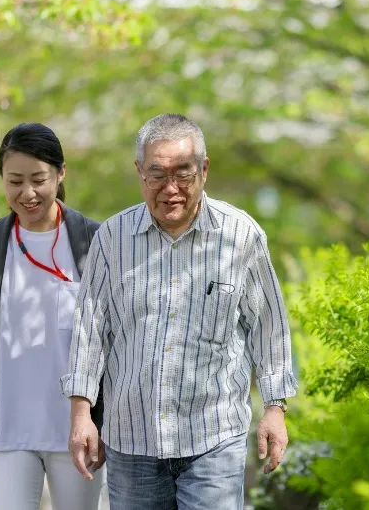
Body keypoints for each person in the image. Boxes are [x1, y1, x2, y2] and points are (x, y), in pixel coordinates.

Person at [60, 113, 298, 510]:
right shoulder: (111, 240)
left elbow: (269, 327)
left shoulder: (240, 237)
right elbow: (90, 330)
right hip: (133, 441)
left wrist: (275, 408)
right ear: (139, 173)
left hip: (214, 439)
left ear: (204, 170)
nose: (170, 189)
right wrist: (81, 414)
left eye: (183, 174)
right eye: (157, 174)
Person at [0, 123, 106, 510]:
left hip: (77, 431)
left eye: (38, 179)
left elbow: (112, 341)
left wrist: (108, 422)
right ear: (1, 179)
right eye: (14, 181)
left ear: (61, 173)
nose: (27, 193)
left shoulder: (95, 242)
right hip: (8, 433)